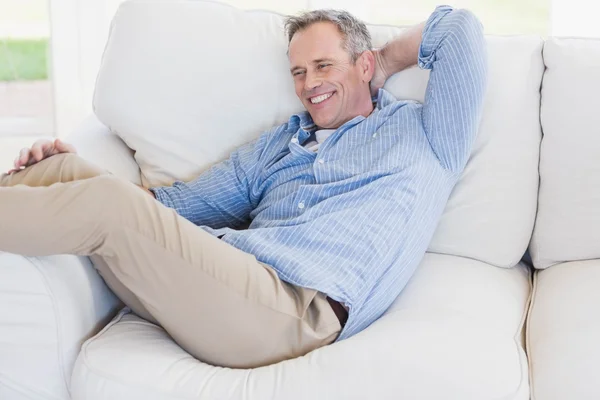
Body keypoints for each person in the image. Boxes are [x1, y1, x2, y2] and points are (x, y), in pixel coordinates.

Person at [0, 5, 487, 368]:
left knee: (106, 203)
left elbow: (458, 30)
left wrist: (381, 62)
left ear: (361, 65)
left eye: (324, 66)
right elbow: (172, 208)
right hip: (227, 279)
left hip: (295, 311)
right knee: (65, 166)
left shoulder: (425, 136)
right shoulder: (281, 143)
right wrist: (66, 173)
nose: (309, 83)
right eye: (298, 72)